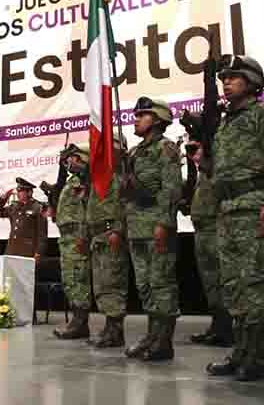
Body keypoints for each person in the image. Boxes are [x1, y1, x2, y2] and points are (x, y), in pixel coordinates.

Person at [205, 55, 264, 382]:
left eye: (234, 77)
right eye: (224, 78)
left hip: (254, 204)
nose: (226, 83)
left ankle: (256, 358)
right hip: (228, 209)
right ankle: (240, 351)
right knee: (233, 285)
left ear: (253, 82)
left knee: (254, 283)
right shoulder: (227, 121)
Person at [122, 97, 182, 361]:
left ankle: (164, 341)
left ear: (157, 120)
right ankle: (151, 335)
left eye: (142, 115)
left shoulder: (165, 148)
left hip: (157, 226)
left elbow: (171, 190)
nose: (135, 120)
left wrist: (163, 224)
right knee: (145, 285)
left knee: (162, 284)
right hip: (136, 228)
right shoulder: (134, 152)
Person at [85, 130, 131, 348]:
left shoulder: (121, 170)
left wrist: (119, 230)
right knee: (102, 284)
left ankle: (115, 330)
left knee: (113, 282)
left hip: (111, 232)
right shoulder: (102, 172)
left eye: (109, 143)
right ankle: (109, 328)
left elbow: (126, 203)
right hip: (98, 235)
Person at [186, 143, 233, 347]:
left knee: (222, 279)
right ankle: (218, 326)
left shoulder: (216, 161)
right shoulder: (202, 170)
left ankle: (228, 329)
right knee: (210, 283)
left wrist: (204, 162)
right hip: (202, 226)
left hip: (215, 224)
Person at [51, 144, 92, 340]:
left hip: (78, 235)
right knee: (70, 280)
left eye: (74, 158)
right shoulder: (72, 181)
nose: (70, 161)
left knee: (78, 279)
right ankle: (77, 320)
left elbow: (88, 208)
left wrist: (83, 236)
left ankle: (80, 322)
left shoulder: (86, 179)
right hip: (66, 237)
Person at [0, 177, 48, 259]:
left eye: (21, 191)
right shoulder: (14, 206)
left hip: (28, 251)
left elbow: (42, 233)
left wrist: (39, 252)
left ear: (29, 193)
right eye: (17, 191)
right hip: (11, 250)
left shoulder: (38, 207)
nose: (18, 193)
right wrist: (3, 199)